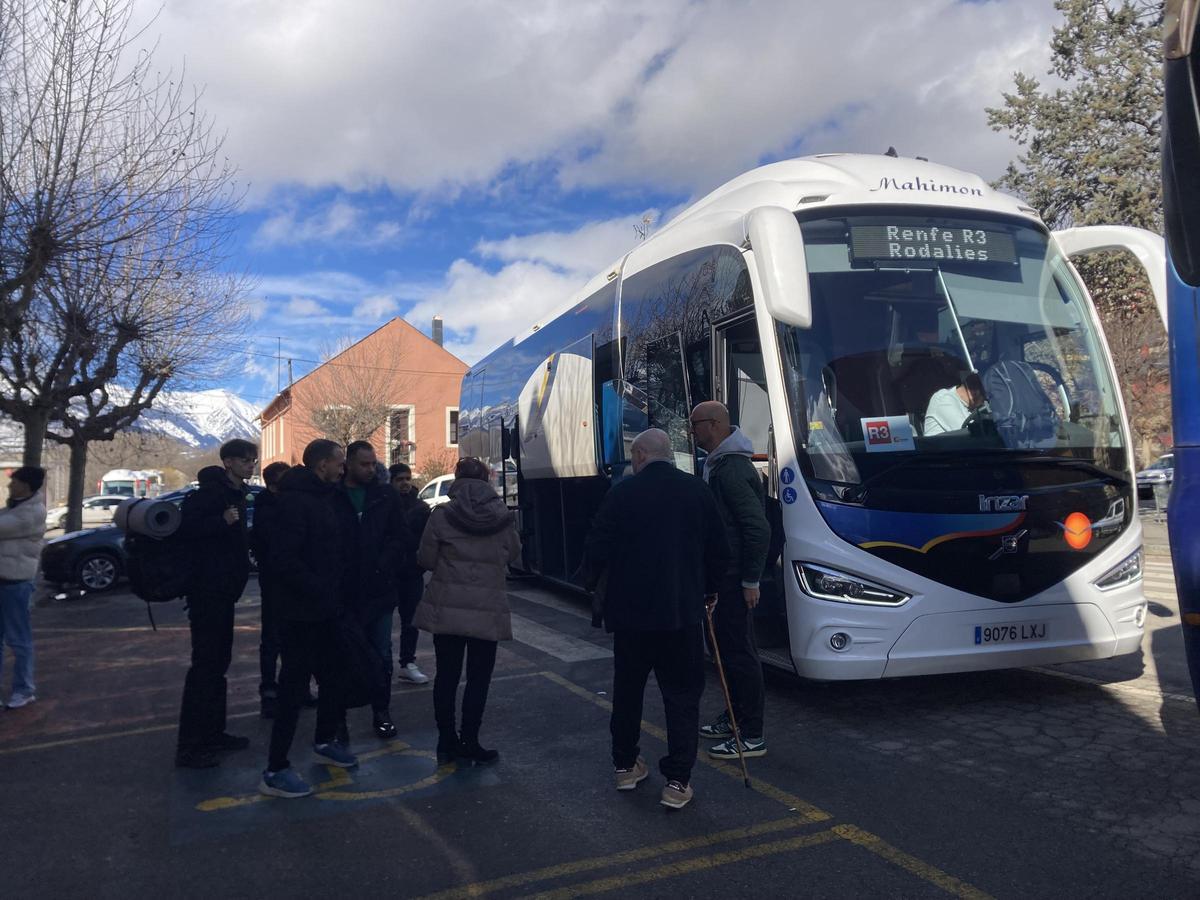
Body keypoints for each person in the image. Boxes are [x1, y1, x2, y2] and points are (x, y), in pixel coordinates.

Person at [582, 429, 731, 810]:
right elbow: (719, 549)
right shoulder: (696, 491)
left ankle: (625, 765)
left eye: (634, 454)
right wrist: (710, 589)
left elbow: (596, 548)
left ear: (644, 455)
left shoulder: (621, 494)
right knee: (681, 697)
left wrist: (592, 586)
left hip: (630, 617)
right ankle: (678, 781)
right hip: (681, 613)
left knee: (628, 692)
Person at [259, 439, 356, 799]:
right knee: (293, 688)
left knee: (336, 675)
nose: (342, 468)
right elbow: (284, 561)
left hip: (326, 609)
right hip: (301, 613)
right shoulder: (296, 502)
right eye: (338, 462)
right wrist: (319, 589)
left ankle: (325, 740)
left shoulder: (325, 497)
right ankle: (275, 769)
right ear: (321, 465)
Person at [414, 457, 521, 766]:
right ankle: (470, 739)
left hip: (447, 608)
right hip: (487, 609)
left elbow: (426, 558)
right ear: (487, 480)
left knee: (446, 677)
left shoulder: (442, 515)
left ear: (457, 479)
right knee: (478, 679)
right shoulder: (502, 516)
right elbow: (513, 553)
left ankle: (446, 742)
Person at [689, 401, 771, 762]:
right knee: (726, 649)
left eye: (695, 424)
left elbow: (757, 527)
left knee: (738, 653)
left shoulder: (731, 470)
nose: (691, 431)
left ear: (715, 425)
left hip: (735, 578)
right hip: (727, 575)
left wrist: (750, 579)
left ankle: (751, 734)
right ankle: (736, 718)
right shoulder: (719, 464)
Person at [175, 440, 257, 769]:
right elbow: (186, 533)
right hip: (207, 592)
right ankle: (191, 745)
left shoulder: (235, 493)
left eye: (253, 460)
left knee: (218, 665)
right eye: (244, 460)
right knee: (205, 667)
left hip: (224, 592)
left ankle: (214, 732)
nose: (251, 465)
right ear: (228, 463)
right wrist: (220, 522)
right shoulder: (209, 496)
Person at [339, 441, 408, 739]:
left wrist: (383, 565)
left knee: (382, 653)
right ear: (349, 464)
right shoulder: (334, 495)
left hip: (379, 591)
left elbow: (400, 536)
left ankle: (382, 711)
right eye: (364, 464)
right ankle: (337, 718)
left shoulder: (385, 495)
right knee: (343, 656)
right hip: (343, 593)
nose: (370, 469)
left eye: (372, 464)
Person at [0, 467, 47, 709]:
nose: (10, 486)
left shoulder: (30, 513)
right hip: (3, 581)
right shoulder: (15, 508)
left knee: (19, 640)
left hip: (16, 583)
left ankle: (24, 689)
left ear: (26, 486)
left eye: (15, 482)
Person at [251, 461, 290, 719]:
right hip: (276, 581)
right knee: (273, 639)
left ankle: (289, 688)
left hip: (284, 581)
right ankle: (270, 691)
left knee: (291, 637)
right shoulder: (268, 507)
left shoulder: (280, 504)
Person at [389, 462, 430, 685]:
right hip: (387, 572)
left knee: (410, 620)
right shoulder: (383, 504)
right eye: (399, 479)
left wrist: (421, 564)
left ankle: (407, 663)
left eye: (407, 479)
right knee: (381, 619)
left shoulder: (421, 508)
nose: (404, 483)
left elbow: (428, 541)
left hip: (412, 572)